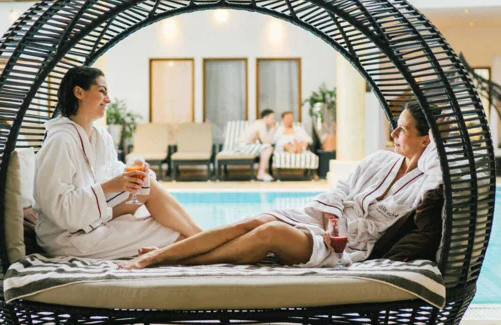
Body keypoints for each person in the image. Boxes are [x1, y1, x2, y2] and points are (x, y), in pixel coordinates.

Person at [123, 100, 443, 270]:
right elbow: (340, 191)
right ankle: (167, 252)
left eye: (402, 130)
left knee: (269, 234)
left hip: (345, 248)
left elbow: (439, 167)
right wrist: (332, 220)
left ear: (426, 139)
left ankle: (167, 258)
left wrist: (435, 149)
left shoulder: (425, 184)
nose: (393, 135)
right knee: (257, 220)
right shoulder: (380, 161)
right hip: (323, 222)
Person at [33, 66, 202, 259]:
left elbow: (112, 169)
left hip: (90, 219)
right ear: (79, 92)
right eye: (102, 91)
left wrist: (131, 172)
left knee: (146, 187)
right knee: (177, 236)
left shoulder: (99, 136)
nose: (108, 99)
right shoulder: (60, 141)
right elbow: (60, 210)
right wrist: (113, 185)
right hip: (69, 238)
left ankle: (204, 238)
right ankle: (208, 239)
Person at [237, 109, 277, 181]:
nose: (273, 121)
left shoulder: (258, 123)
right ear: (265, 118)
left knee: (265, 149)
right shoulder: (261, 124)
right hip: (244, 146)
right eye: (272, 118)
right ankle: (261, 174)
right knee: (268, 148)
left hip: (244, 146)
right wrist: (272, 130)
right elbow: (266, 142)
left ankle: (261, 173)